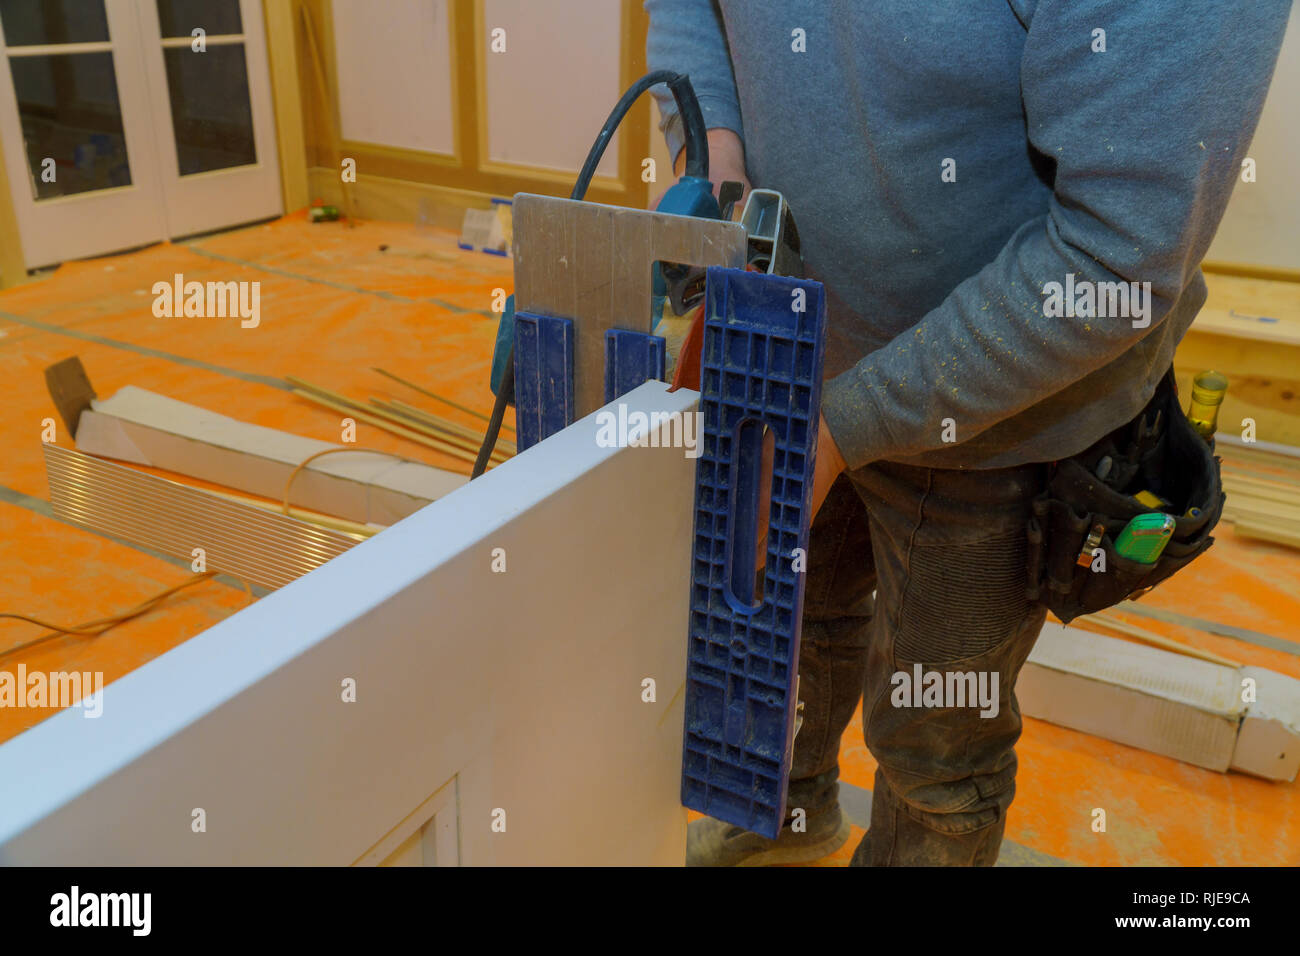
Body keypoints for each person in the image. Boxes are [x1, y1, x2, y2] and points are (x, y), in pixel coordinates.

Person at [646, 0, 1291, 866]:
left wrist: (842, 428)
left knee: (935, 748)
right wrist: (710, 136)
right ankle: (790, 821)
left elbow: (1116, 260)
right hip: (795, 346)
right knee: (790, 626)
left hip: (998, 414)